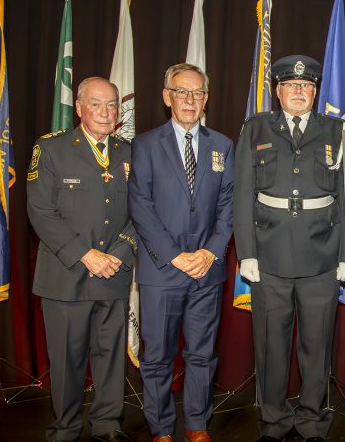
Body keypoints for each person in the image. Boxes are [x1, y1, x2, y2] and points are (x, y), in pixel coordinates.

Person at [234, 55, 345, 442]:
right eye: (291, 86)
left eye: (306, 87)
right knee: (271, 346)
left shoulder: (336, 129)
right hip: (269, 255)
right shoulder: (256, 128)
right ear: (278, 91)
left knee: (317, 346)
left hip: (322, 255)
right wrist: (246, 253)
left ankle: (313, 420)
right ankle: (274, 421)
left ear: (315, 93)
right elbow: (243, 195)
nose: (299, 92)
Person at [128, 63, 234, 442]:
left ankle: (196, 425)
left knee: (202, 355)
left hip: (207, 270)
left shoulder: (222, 145)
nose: (190, 100)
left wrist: (210, 252)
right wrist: (174, 255)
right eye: (182, 91)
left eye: (198, 93)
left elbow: (228, 206)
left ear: (206, 99)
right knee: (156, 356)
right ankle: (160, 429)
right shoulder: (144, 145)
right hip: (161, 271)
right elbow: (140, 207)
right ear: (166, 96)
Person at [27, 77, 136, 442]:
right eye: (96, 104)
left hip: (114, 273)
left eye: (112, 105)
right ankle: (66, 427)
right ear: (79, 107)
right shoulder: (52, 149)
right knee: (68, 361)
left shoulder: (129, 152)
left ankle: (107, 425)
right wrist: (86, 255)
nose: (106, 113)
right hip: (67, 274)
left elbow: (142, 213)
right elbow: (40, 211)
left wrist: (117, 255)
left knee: (110, 358)